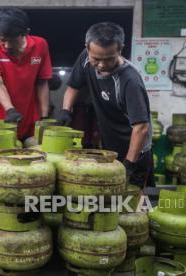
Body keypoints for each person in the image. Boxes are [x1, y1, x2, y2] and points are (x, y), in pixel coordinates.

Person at [57, 22, 153, 187]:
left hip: (134, 151)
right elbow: (73, 87)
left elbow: (141, 127)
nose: (101, 65)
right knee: (107, 200)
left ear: (120, 49)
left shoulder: (130, 81)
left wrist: (129, 164)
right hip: (109, 146)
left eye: (109, 59)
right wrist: (66, 110)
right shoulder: (85, 58)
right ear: (88, 48)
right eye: (96, 58)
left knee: (133, 203)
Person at [0, 7, 52, 140]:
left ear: (25, 33)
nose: (6, 45)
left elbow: (42, 82)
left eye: (12, 40)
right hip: (0, 120)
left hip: (31, 120)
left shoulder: (41, 45)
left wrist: (44, 117)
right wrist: (10, 110)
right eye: (2, 39)